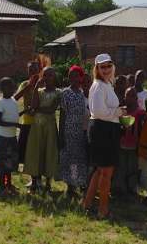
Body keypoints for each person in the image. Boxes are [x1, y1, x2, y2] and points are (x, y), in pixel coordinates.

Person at [82, 53, 123, 219]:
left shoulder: (107, 84)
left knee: (100, 171)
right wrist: (119, 112)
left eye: (108, 65)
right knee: (106, 172)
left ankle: (87, 204)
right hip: (102, 130)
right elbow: (99, 112)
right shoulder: (99, 85)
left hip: (106, 129)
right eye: (102, 66)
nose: (106, 69)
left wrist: (117, 113)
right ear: (97, 69)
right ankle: (103, 210)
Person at [23, 67, 62, 193]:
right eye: (45, 75)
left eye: (50, 75)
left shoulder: (58, 93)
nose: (47, 78)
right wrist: (35, 88)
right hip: (37, 127)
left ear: (54, 77)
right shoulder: (38, 91)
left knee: (49, 152)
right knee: (35, 152)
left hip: (49, 127)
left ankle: (48, 184)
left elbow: (51, 109)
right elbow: (33, 105)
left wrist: (37, 110)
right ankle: (34, 182)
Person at [59, 65, 89, 197]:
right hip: (69, 131)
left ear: (80, 77)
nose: (73, 78)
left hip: (81, 131)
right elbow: (62, 115)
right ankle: (70, 186)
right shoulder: (65, 93)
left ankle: (79, 183)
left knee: (79, 159)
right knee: (70, 158)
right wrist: (61, 134)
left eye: (76, 75)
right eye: (71, 75)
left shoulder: (84, 94)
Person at [112, 87, 145, 197]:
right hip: (121, 145)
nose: (129, 98)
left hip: (134, 147)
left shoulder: (140, 113)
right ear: (124, 97)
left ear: (136, 98)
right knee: (121, 168)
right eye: (127, 95)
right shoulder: (121, 111)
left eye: (132, 95)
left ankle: (131, 190)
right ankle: (120, 189)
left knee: (132, 169)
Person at [0, 77, 21, 195]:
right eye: (10, 86)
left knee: (10, 161)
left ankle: (9, 184)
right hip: (2, 137)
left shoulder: (13, 101)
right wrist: (15, 124)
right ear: (3, 88)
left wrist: (25, 112)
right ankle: (2, 186)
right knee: (2, 163)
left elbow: (13, 115)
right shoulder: (0, 102)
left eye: (13, 86)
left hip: (11, 137)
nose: (13, 88)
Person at [14, 61, 41, 166]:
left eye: (35, 70)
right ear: (28, 72)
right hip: (27, 121)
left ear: (39, 71)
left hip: (39, 122)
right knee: (22, 149)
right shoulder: (24, 84)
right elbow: (15, 98)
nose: (33, 72)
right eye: (31, 70)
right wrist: (29, 86)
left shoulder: (43, 83)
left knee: (37, 149)